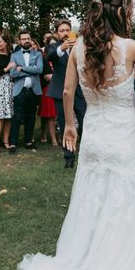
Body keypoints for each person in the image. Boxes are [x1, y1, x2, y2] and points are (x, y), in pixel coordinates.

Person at [12, 0, 135, 270]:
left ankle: (83, 260)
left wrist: (71, 126)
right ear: (120, 11)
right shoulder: (132, 48)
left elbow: (66, 93)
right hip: (123, 135)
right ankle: (115, 269)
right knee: (124, 200)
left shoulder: (76, 48)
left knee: (92, 198)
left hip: (94, 135)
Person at [46, 18, 87, 168]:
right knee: (64, 126)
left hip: (80, 92)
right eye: (61, 31)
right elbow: (49, 57)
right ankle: (69, 158)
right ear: (57, 33)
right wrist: (61, 48)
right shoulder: (53, 47)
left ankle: (86, 154)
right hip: (61, 92)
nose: (65, 33)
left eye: (67, 30)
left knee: (85, 122)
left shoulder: (79, 47)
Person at [9, 31, 43, 153]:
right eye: (23, 39)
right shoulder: (14, 55)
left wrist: (22, 68)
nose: (26, 40)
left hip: (34, 91)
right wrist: (30, 70)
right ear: (19, 41)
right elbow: (13, 73)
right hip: (20, 90)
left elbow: (39, 69)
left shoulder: (38, 54)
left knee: (31, 117)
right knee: (17, 117)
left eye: (28, 38)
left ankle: (28, 141)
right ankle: (13, 143)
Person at [38, 33, 58, 146]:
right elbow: (44, 75)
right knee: (48, 114)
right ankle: (51, 137)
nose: (53, 47)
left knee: (58, 115)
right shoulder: (44, 58)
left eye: (55, 44)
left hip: (60, 87)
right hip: (47, 88)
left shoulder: (63, 57)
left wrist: (54, 75)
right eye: (50, 45)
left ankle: (58, 136)